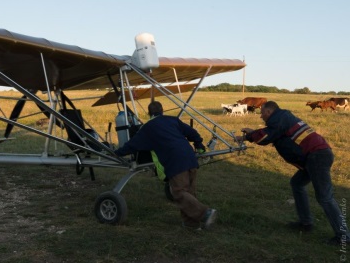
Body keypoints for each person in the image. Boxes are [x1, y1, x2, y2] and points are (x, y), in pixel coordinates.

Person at [236, 101, 350, 245]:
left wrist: (247, 137)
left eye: (262, 113)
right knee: (297, 183)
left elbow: (266, 136)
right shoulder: (282, 117)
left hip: (316, 156)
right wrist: (253, 133)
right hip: (314, 156)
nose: (260, 116)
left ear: (269, 112)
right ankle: (306, 223)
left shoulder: (279, 118)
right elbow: (272, 133)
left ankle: (343, 236)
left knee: (325, 197)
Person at [114, 101, 217, 230]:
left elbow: (132, 145)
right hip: (190, 158)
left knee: (179, 193)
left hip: (175, 161)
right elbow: (192, 132)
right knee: (189, 193)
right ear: (162, 110)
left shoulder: (148, 127)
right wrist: (199, 144)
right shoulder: (173, 120)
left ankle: (205, 213)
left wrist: (117, 153)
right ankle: (191, 224)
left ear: (149, 113)